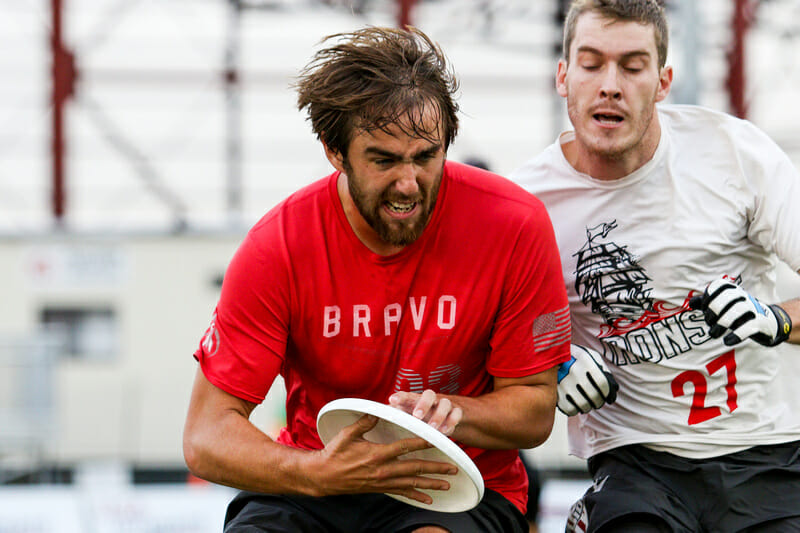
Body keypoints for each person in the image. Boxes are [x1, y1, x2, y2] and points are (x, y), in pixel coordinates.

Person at [183, 26, 572, 533]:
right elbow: (205, 436)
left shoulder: (514, 223)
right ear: (334, 151)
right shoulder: (277, 247)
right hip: (314, 483)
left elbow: (536, 411)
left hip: (450, 484)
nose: (408, 183)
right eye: (384, 160)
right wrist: (315, 472)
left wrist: (454, 412)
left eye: (426, 157)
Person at [511, 1, 800, 532]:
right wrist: (554, 365)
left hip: (765, 453)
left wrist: (779, 320)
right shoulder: (525, 203)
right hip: (635, 464)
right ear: (563, 75)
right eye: (592, 63)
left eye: (633, 65)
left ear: (663, 81)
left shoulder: (735, 153)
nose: (611, 85)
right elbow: (481, 339)